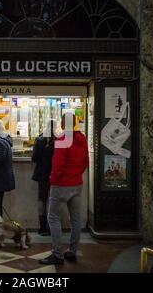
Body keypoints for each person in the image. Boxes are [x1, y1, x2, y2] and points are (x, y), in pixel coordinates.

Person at [40, 113, 89, 265]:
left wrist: (53, 180)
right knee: (75, 220)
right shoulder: (82, 139)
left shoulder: (62, 140)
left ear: (62, 123)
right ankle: (72, 252)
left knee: (53, 217)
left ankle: (57, 254)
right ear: (74, 123)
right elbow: (85, 161)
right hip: (77, 184)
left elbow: (57, 164)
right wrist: (76, 175)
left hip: (61, 185)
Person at [31, 119, 56, 236]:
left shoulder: (39, 139)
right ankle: (51, 227)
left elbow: (34, 158)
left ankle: (42, 227)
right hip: (54, 174)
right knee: (53, 200)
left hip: (42, 174)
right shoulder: (59, 140)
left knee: (42, 199)